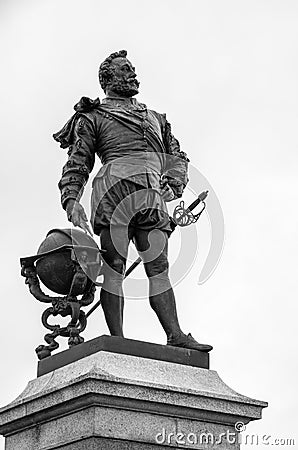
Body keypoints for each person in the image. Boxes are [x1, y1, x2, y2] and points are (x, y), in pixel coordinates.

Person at [54, 50, 212, 352]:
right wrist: (71, 199)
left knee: (159, 267)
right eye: (125, 69)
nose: (132, 73)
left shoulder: (156, 119)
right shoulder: (93, 116)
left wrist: (175, 183)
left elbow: (176, 156)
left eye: (132, 68)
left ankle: (175, 334)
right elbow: (78, 161)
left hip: (151, 194)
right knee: (114, 266)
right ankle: (117, 339)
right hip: (114, 193)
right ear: (108, 79)